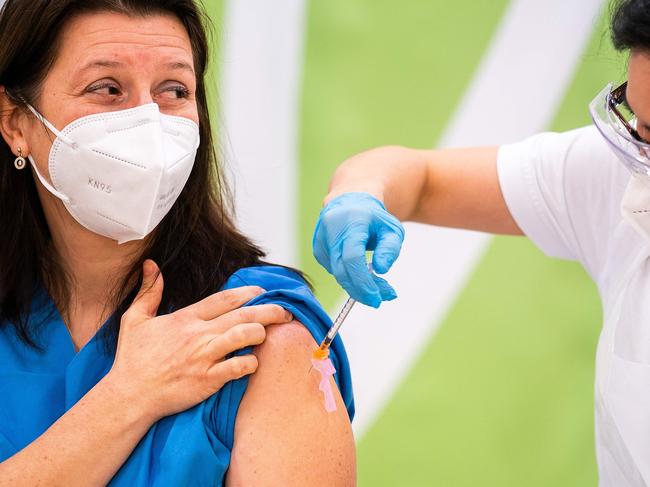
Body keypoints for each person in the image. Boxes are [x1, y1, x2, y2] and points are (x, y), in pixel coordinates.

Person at [0, 1, 355, 485]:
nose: (148, 122)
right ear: (16, 123)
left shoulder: (258, 331)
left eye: (174, 89)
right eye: (107, 88)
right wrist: (126, 398)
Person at [312, 0, 650, 484]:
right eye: (633, 118)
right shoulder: (615, 175)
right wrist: (357, 196)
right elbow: (420, 179)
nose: (636, 152)